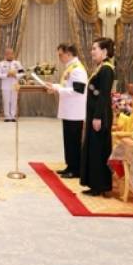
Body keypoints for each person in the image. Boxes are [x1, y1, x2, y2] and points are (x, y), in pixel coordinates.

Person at [80, 37, 116, 197]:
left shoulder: (107, 69)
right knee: (94, 148)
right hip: (95, 113)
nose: (92, 52)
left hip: (100, 115)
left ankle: (100, 185)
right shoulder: (100, 68)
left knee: (98, 150)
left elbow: (103, 95)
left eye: (95, 48)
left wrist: (97, 117)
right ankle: (95, 184)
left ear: (104, 51)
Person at [45, 44, 87, 179]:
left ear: (68, 54)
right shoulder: (70, 68)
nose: (59, 57)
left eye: (60, 54)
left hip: (75, 112)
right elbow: (66, 86)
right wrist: (55, 86)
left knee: (74, 142)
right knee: (68, 141)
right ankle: (70, 166)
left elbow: (78, 90)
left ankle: (76, 169)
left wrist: (57, 89)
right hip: (69, 111)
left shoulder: (77, 69)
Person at [0, 48, 25, 122]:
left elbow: (22, 73)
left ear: (13, 54)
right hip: (5, 85)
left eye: (11, 53)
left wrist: (16, 75)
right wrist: (6, 75)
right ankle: (7, 116)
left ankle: (13, 116)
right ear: (5, 55)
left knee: (14, 100)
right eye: (8, 54)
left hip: (15, 84)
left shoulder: (17, 63)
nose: (10, 55)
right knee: (6, 101)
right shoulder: (1, 63)